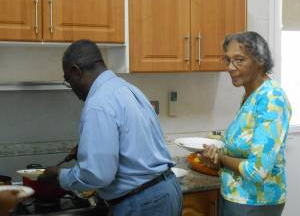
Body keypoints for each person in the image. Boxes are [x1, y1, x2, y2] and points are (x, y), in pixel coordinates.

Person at [38, 39, 182, 216]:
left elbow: (98, 175)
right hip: (166, 191)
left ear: (76, 72)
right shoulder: (127, 88)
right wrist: (91, 149)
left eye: (68, 80)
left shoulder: (98, 104)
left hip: (143, 203)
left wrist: (59, 176)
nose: (72, 88)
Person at [202, 31, 292, 216]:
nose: (231, 67)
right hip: (238, 198)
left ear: (259, 61)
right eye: (228, 60)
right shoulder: (251, 95)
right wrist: (217, 157)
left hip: (256, 202)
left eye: (239, 60)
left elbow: (257, 170)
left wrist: (220, 158)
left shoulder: (271, 99)